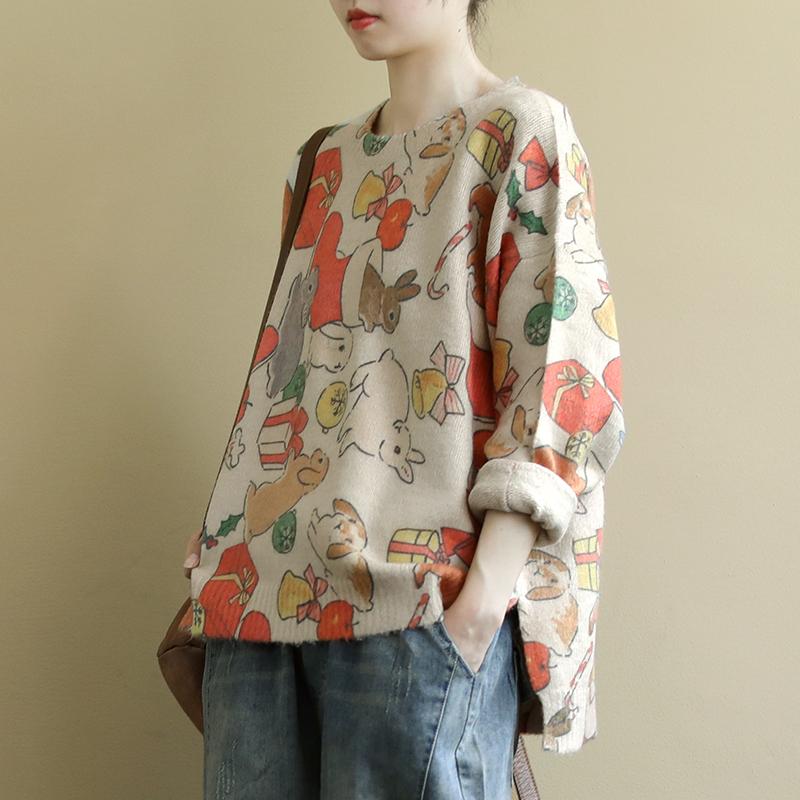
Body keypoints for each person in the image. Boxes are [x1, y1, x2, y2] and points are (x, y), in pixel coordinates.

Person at [182, 1, 626, 796]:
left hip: (419, 612)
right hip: (256, 604)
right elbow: (296, 373)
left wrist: (478, 608)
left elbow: (563, 380)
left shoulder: (519, 131)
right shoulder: (321, 160)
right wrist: (227, 537)